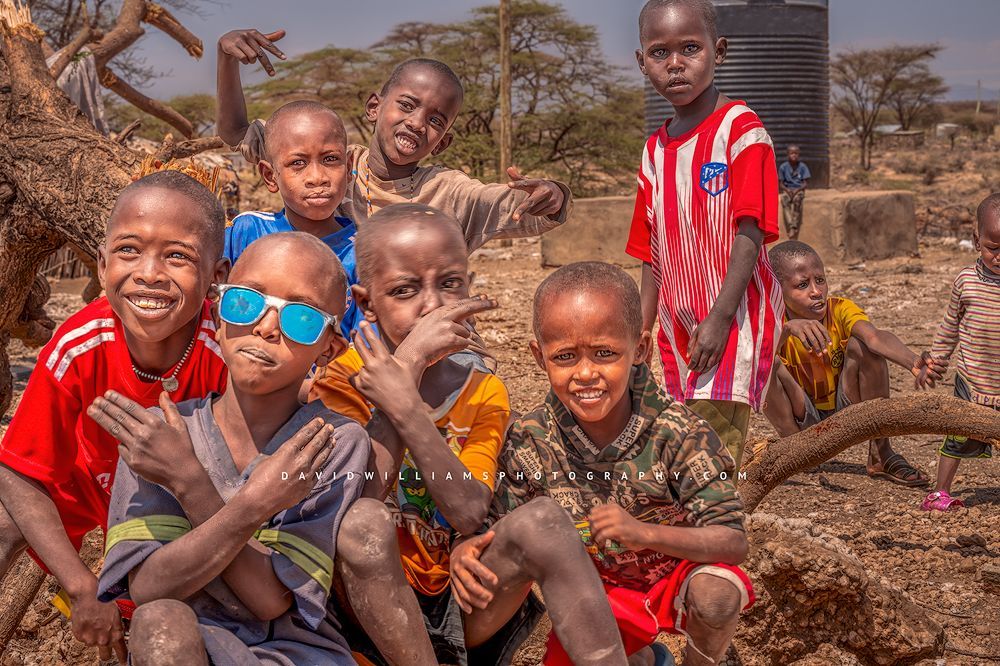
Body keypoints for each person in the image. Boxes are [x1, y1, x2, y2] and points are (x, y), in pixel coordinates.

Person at [314, 204, 627, 666]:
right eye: (404, 290)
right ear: (366, 303)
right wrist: (406, 371)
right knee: (364, 524)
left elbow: (467, 510)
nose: (434, 305)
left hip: (463, 597)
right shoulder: (342, 382)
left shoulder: (483, 389)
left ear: (469, 286)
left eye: (450, 283)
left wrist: (405, 402)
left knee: (543, 522)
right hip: (371, 609)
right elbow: (355, 498)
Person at [92, 233, 370, 664]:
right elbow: (149, 589)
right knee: (159, 620)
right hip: (187, 648)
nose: (266, 327)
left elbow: (270, 601)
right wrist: (252, 502)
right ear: (218, 316)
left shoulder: (330, 443)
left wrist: (189, 482)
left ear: (328, 350)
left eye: (302, 319)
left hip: (297, 654)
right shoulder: (164, 437)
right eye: (246, 302)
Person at [0, 171, 230, 662]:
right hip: (92, 483)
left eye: (178, 256)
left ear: (216, 276)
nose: (149, 272)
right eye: (129, 250)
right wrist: (83, 587)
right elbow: (18, 473)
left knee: (170, 613)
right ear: (101, 266)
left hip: (193, 497)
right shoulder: (79, 345)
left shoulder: (228, 354)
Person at [481, 262, 753, 666]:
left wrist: (645, 533)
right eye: (565, 356)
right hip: (588, 595)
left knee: (717, 593)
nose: (586, 373)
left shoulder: (678, 432)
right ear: (540, 357)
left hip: (671, 580)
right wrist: (467, 547)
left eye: (605, 353)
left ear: (640, 349)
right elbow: (502, 531)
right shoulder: (530, 439)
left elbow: (733, 542)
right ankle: (642, 657)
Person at [215, 28, 572, 254]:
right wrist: (226, 59)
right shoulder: (332, 162)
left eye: (435, 120)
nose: (417, 123)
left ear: (442, 143)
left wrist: (553, 194)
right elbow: (236, 133)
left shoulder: (449, 193)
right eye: (406, 105)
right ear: (374, 106)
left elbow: (513, 204)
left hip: (434, 340)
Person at [627, 0, 783, 470]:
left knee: (711, 451)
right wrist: (642, 327)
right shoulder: (655, 151)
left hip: (732, 320)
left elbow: (750, 231)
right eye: (659, 53)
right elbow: (650, 252)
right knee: (681, 441)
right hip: (678, 326)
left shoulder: (741, 130)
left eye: (690, 48)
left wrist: (719, 317)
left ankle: (714, 534)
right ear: (642, 63)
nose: (675, 64)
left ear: (720, 51)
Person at [764, 240, 940, 486]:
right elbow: (752, 363)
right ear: (776, 289)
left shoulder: (839, 310)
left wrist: (913, 361)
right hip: (801, 419)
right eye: (802, 285)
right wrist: (787, 329)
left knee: (863, 346)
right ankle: (794, 454)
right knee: (765, 364)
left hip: (845, 412)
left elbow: (875, 337)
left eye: (820, 280)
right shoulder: (769, 321)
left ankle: (881, 453)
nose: (816, 291)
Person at [222, 100, 362, 337]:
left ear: (348, 167)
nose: (317, 177)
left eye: (330, 159)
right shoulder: (246, 231)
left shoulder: (361, 251)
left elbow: (361, 343)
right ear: (270, 176)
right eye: (298, 163)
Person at [922, 193, 1000, 510]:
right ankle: (939, 492)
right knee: (956, 436)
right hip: (972, 379)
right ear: (976, 239)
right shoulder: (966, 281)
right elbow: (949, 326)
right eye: (993, 248)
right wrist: (936, 361)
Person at [778, 145, 810, 239]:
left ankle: (793, 226)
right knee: (784, 200)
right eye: (792, 153)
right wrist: (787, 190)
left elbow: (805, 183)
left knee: (797, 200)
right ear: (788, 154)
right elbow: (781, 183)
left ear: (798, 154)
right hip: (788, 190)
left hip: (798, 190)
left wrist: (797, 190)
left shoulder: (802, 166)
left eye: (796, 153)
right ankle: (791, 224)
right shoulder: (783, 167)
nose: (794, 155)